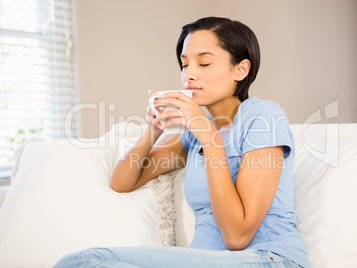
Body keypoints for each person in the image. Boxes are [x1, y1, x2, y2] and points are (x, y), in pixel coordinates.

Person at [54, 17, 309, 268]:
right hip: (209, 260)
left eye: (205, 63)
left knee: (89, 262)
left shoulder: (263, 117)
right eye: (184, 64)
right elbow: (123, 183)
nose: (189, 75)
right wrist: (154, 129)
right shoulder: (193, 134)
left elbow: (237, 237)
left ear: (240, 69)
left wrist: (209, 137)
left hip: (267, 258)